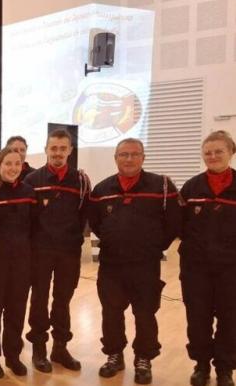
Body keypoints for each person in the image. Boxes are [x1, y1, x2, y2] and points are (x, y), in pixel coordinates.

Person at [88, 138, 180, 385]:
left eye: (134, 154)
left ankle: (144, 359)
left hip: (145, 265)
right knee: (111, 313)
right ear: (115, 158)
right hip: (111, 266)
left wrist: (154, 246)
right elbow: (96, 223)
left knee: (145, 314)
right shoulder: (101, 189)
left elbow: (174, 222)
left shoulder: (161, 186)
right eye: (123, 154)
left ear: (143, 157)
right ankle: (114, 356)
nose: (128, 159)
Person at [23, 129, 90, 372]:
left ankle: (60, 348)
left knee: (63, 300)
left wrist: (73, 241)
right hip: (39, 252)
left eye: (63, 148)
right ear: (46, 149)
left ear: (70, 151)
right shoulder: (32, 181)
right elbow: (27, 219)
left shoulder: (81, 181)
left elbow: (84, 215)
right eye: (54, 148)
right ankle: (39, 348)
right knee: (39, 299)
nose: (58, 153)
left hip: (68, 254)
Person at [179, 131, 236, 386]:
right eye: (207, 152)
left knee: (230, 318)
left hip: (231, 269)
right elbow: (178, 225)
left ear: (231, 153)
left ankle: (225, 369)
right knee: (198, 319)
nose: (212, 156)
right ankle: (201, 365)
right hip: (196, 269)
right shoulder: (192, 187)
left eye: (218, 151)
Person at [0, 147, 36, 379]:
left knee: (16, 312)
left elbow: (34, 228)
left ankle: (13, 356)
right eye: (8, 163)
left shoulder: (28, 192)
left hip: (21, 264)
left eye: (17, 163)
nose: (13, 168)